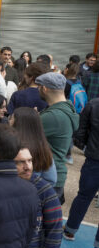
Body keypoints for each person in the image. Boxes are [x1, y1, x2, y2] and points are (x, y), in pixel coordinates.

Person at [10, 147, 63, 248]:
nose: (28, 166)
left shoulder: (45, 191)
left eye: (29, 160)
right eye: (20, 162)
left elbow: (55, 232)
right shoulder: (2, 186)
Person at [64, 96, 99, 248]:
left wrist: (87, 147)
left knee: (84, 196)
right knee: (83, 196)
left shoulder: (93, 104)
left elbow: (80, 132)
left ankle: (70, 229)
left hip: (94, 157)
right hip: (93, 155)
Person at [37, 72, 79, 204]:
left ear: (44, 88)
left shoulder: (53, 115)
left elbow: (24, 134)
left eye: (39, 87)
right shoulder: (65, 109)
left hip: (46, 177)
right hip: (55, 174)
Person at [10, 107, 57, 185]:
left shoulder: (10, 146)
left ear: (18, 123)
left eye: (11, 118)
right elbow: (51, 179)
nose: (9, 121)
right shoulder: (43, 147)